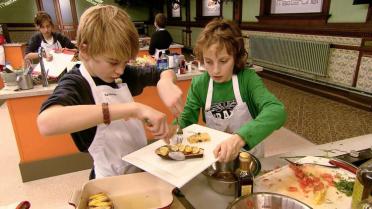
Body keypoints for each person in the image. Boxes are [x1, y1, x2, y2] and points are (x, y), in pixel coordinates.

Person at [37, 5, 183, 179]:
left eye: (125, 62)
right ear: (85, 50)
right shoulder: (76, 83)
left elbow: (164, 72)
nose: (120, 70)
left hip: (138, 170)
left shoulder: (122, 74)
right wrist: (133, 109)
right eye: (113, 63)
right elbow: (46, 123)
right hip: (109, 178)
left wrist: (165, 82)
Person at [167, 19, 286, 162]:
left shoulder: (247, 79)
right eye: (208, 62)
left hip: (249, 156)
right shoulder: (199, 84)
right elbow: (186, 119)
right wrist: (171, 130)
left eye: (223, 61)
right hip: (217, 156)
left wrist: (240, 138)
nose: (215, 70)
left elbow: (277, 111)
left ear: (236, 57)